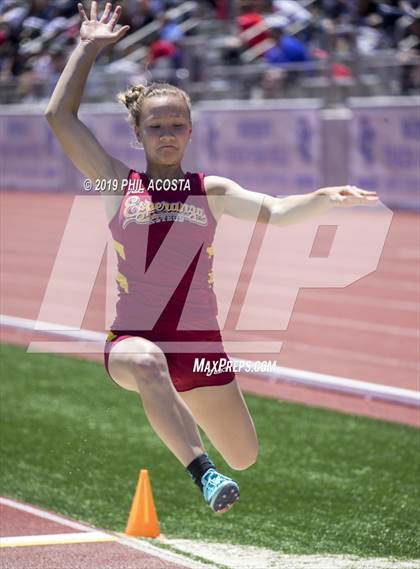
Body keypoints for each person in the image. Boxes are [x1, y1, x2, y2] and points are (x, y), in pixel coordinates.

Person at [44, 2, 379, 515]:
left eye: (177, 124)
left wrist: (321, 198)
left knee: (244, 455)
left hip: (200, 346)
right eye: (156, 127)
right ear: (138, 134)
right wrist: (87, 48)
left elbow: (275, 211)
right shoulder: (117, 184)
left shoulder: (211, 191)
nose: (168, 133)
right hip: (134, 341)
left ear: (191, 130)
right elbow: (58, 116)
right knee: (149, 362)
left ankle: (188, 430)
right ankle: (202, 473)